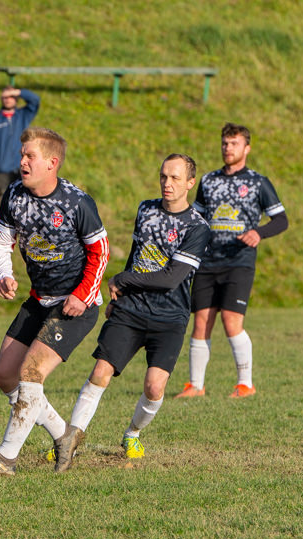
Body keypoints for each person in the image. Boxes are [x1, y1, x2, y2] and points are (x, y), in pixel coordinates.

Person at [0, 127, 109, 477]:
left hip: (76, 304)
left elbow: (100, 253)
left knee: (31, 371)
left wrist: (81, 295)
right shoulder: (14, 193)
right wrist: (3, 275)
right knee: (4, 375)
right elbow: (1, 240)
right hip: (39, 299)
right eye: (22, 154)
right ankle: (63, 435)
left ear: (52, 164)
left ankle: (5, 458)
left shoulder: (76, 202)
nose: (22, 161)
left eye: (30, 156)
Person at [54, 154, 211, 472]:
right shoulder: (146, 209)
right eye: (163, 176)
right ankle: (67, 442)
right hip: (131, 310)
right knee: (100, 372)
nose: (167, 183)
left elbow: (171, 279)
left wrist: (124, 279)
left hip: (170, 317)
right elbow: (139, 259)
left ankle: (132, 433)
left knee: (154, 387)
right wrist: (119, 294)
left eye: (175, 178)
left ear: (190, 183)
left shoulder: (197, 227)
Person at [176, 123, 288, 399]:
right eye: (225, 143)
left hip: (239, 261)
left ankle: (245, 384)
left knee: (231, 320)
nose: (228, 148)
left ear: (246, 148)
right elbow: (197, 219)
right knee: (201, 321)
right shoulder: (209, 181)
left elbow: (281, 220)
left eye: (234, 143)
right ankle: (195, 386)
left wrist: (258, 233)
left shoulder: (258, 182)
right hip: (207, 261)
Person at [0, 86, 40, 223]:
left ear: (16, 99)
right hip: (3, 167)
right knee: (0, 196)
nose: (8, 100)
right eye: (5, 97)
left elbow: (35, 101)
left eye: (11, 97)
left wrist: (18, 92)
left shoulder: (23, 115)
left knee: (24, 196)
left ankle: (21, 223)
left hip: (23, 165)